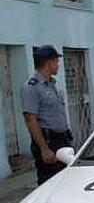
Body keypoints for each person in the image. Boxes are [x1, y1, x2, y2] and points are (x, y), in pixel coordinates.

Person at [22, 45, 73, 185]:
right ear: (49, 63)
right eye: (56, 61)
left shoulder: (51, 84)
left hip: (62, 139)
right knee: (49, 183)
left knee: (65, 181)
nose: (58, 65)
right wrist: (44, 149)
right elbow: (30, 119)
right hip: (49, 142)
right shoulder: (32, 87)